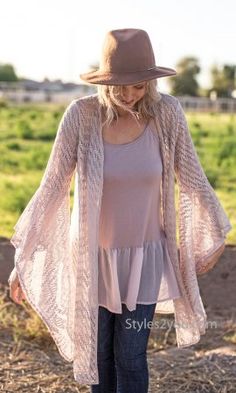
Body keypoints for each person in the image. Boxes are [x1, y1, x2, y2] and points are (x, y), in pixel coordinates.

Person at [8, 28, 232, 392]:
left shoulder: (167, 115)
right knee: (99, 357)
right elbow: (51, 188)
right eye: (119, 85)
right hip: (92, 262)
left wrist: (217, 232)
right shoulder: (81, 116)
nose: (129, 94)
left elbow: (192, 176)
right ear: (105, 81)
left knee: (130, 355)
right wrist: (24, 256)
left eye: (138, 85)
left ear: (150, 82)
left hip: (146, 261)